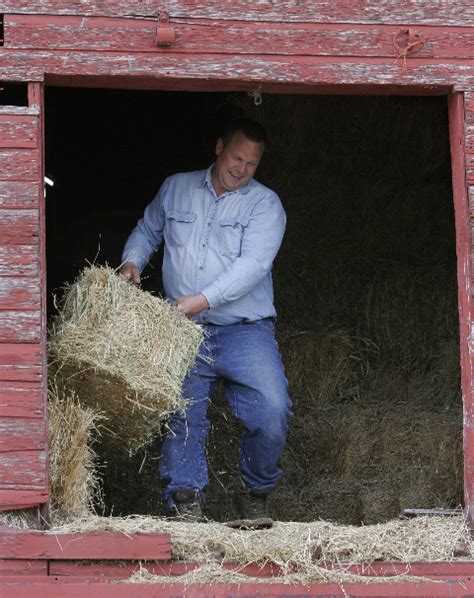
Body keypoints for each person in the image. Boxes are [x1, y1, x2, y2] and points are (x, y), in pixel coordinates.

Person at [120, 117, 292, 527]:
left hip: (243, 330)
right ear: (219, 148)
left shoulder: (265, 204)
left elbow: (253, 266)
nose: (242, 169)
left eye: (252, 163)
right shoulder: (176, 186)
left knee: (273, 409)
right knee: (182, 412)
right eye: (236, 157)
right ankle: (185, 500)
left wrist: (198, 301)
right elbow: (148, 229)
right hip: (182, 330)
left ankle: (254, 494)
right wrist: (131, 261)